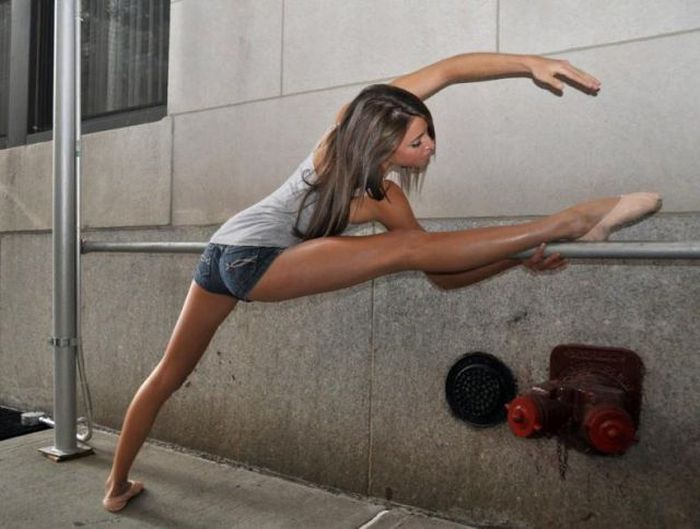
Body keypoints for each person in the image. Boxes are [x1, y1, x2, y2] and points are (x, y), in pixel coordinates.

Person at [102, 52, 661, 512]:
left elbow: (439, 272)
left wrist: (514, 261)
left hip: (223, 251)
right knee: (170, 373)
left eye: (429, 136)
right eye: (418, 142)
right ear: (381, 141)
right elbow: (444, 72)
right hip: (242, 260)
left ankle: (115, 489)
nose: (430, 148)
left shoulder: (387, 197)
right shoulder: (336, 143)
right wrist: (525, 62)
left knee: (168, 374)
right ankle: (575, 217)